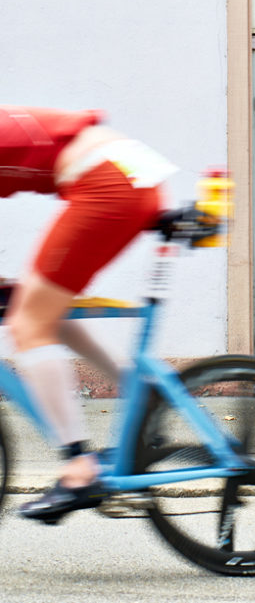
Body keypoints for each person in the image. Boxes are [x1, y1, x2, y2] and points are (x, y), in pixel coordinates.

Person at [0, 105, 176, 522]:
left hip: (104, 181)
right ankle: (140, 390)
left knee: (29, 323)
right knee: (43, 312)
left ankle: (79, 469)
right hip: (127, 174)